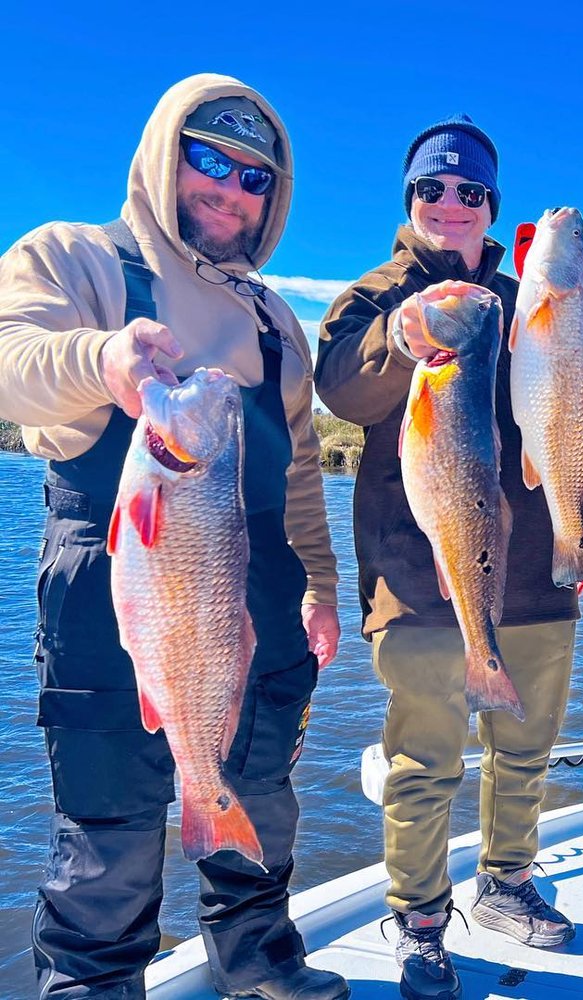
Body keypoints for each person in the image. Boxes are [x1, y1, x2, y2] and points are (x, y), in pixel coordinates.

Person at [0, 74, 347, 1000]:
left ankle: (260, 964)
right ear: (166, 153)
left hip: (259, 593)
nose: (229, 187)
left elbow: (302, 470)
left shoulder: (278, 323)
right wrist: (102, 359)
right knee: (107, 828)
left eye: (254, 175)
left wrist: (320, 586)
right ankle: (91, 984)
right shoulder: (76, 258)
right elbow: (9, 369)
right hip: (115, 594)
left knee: (261, 792)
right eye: (208, 158)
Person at [314, 115, 578, 1000]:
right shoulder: (370, 298)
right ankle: (421, 920)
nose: (451, 204)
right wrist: (403, 334)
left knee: (525, 753)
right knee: (424, 763)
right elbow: (343, 389)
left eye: (470, 192)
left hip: (537, 575)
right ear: (410, 198)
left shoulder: (523, 297)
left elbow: (572, 397)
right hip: (417, 582)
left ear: (491, 206)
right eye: (433, 188)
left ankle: (507, 882)